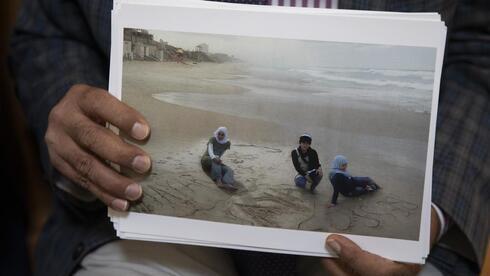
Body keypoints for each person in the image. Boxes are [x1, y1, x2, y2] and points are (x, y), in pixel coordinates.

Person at [8, 0, 488, 275]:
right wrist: (82, 140)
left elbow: (478, 46)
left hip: (376, 246)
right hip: (134, 223)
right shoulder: (236, 148)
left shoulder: (313, 153)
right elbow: (51, 29)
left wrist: (434, 209)